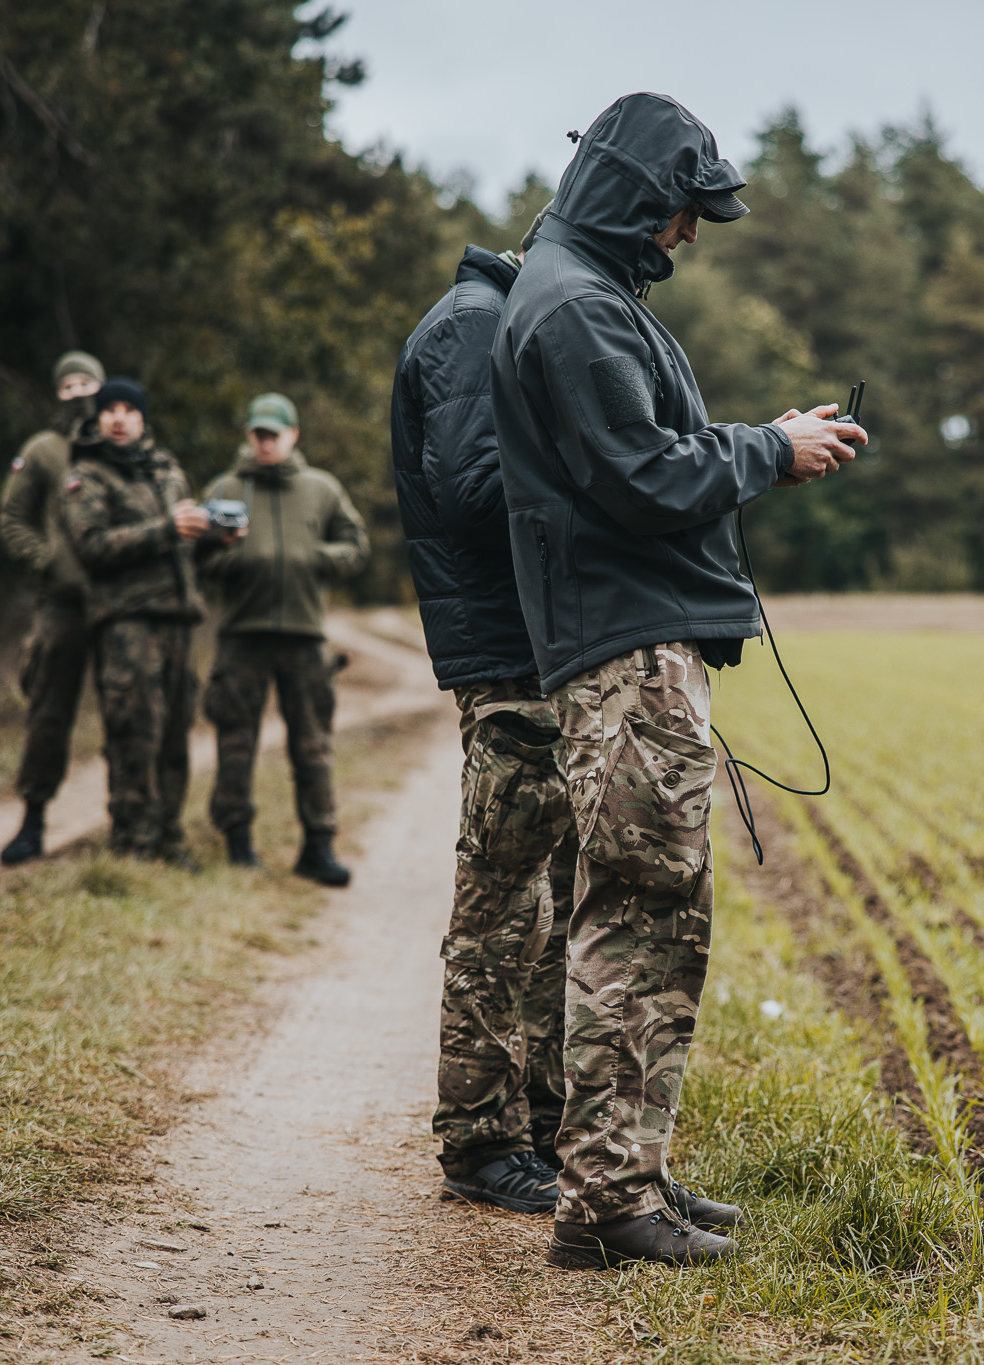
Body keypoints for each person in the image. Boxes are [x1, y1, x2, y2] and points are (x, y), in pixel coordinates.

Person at [491, 92, 866, 1269]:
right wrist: (769, 449)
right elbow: (643, 479)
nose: (689, 238)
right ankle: (604, 1210)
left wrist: (761, 435)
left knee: (661, 918)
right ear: (640, 196)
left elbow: (642, 460)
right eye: (682, 214)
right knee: (638, 919)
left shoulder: (576, 294)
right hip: (625, 648)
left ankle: (629, 1176)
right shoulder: (575, 311)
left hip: (631, 638)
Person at [391, 214, 573, 1215]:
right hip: (508, 655)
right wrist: (598, 457)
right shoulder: (473, 323)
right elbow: (470, 489)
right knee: (503, 911)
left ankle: (537, 1132)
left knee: (547, 903)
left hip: (537, 647)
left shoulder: (492, 316)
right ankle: (480, 1146)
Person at [198, 393, 369, 885]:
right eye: (258, 433)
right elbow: (200, 561)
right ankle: (237, 844)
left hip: (305, 638)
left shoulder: (321, 488)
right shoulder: (226, 487)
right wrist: (235, 556)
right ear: (249, 436)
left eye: (274, 433)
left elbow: (356, 546)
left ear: (293, 435)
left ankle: (318, 848)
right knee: (236, 743)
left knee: (312, 745)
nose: (266, 441)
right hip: (241, 638)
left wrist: (313, 557)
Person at [60, 378, 220, 864]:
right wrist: (165, 528)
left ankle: (168, 838)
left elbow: (184, 547)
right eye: (110, 409)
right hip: (127, 624)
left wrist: (213, 537)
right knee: (134, 735)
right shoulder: (88, 475)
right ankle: (133, 842)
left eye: (130, 409)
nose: (119, 417)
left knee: (175, 733)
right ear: (99, 418)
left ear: (143, 418)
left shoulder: (167, 471)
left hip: (177, 621)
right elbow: (91, 546)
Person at [0, 350, 105, 866]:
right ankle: (33, 820)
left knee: (129, 714)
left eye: (86, 382)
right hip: (60, 606)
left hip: (118, 604)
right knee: (48, 714)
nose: (77, 392)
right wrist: (47, 562)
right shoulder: (43, 450)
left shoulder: (118, 443)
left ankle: (127, 820)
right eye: (67, 386)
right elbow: (13, 517)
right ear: (56, 394)